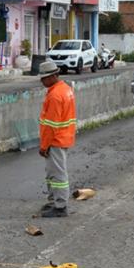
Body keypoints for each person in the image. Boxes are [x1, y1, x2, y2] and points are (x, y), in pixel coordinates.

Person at [37, 60, 76, 218]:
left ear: (53, 76)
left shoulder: (55, 96)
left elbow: (51, 125)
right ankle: (54, 201)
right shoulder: (65, 89)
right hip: (63, 137)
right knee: (53, 172)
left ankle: (60, 206)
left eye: (44, 78)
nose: (42, 81)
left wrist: (44, 146)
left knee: (58, 174)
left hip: (55, 140)